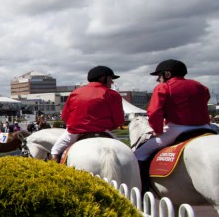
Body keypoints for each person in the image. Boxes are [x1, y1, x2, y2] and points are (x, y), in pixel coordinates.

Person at [135, 60, 216, 192]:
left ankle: (143, 191)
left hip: (178, 129)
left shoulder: (164, 87)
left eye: (159, 76)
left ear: (167, 74)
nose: (158, 79)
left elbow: (154, 111)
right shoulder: (200, 86)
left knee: (138, 155)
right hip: (206, 127)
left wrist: (157, 130)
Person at [50, 66, 124, 163]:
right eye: (110, 78)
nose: (112, 82)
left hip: (75, 132)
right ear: (102, 78)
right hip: (103, 130)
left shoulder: (75, 93)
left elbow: (65, 117)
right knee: (125, 152)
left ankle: (55, 173)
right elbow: (118, 120)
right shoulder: (113, 94)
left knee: (55, 151)